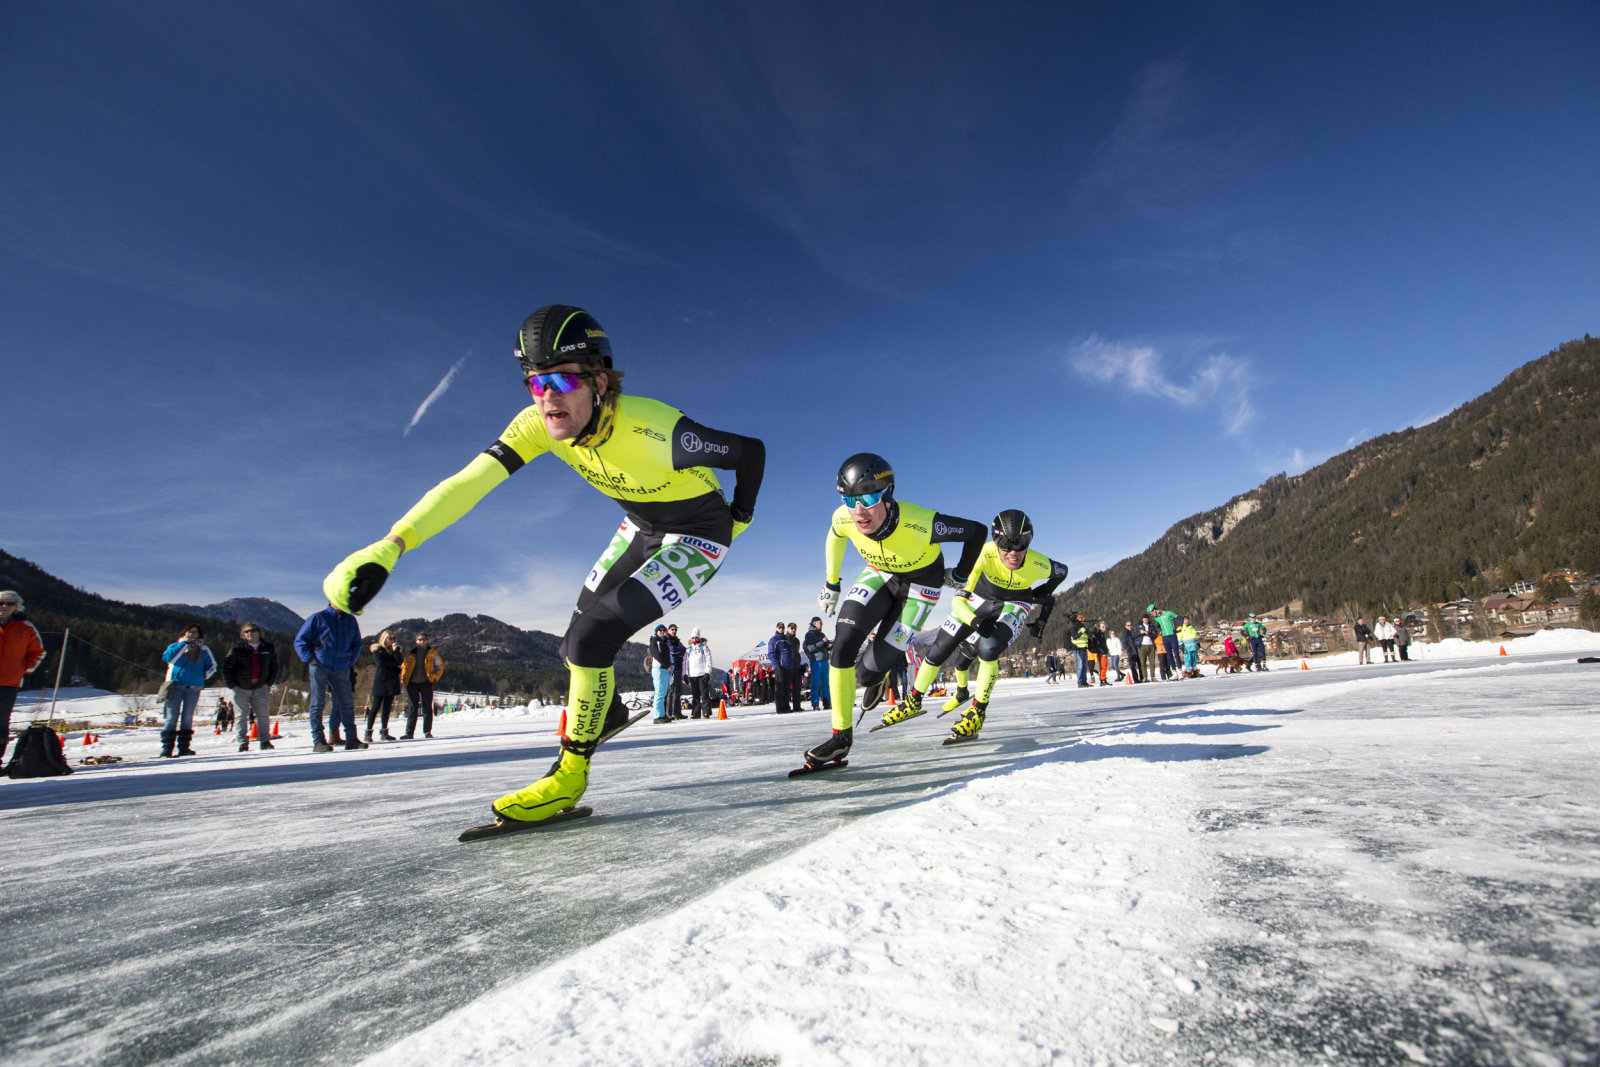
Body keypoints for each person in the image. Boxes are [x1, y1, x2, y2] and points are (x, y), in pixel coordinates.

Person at [320, 303, 764, 827]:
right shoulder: (535, 425)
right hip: (642, 527)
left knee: (591, 638)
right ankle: (610, 711)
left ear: (600, 381)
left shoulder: (660, 431)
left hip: (698, 534)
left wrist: (741, 516)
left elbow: (750, 452)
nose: (548, 396)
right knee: (571, 639)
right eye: (535, 381)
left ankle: (569, 775)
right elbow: (467, 483)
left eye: (561, 379)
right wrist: (392, 544)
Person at [803, 453, 986, 768]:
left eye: (869, 497)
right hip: (879, 573)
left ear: (888, 494)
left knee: (866, 672)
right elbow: (834, 538)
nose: (859, 511)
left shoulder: (922, 522)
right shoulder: (843, 517)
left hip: (920, 588)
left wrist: (959, 575)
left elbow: (976, 532)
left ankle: (879, 673)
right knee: (843, 642)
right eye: (850, 499)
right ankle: (841, 737)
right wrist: (832, 583)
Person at [876, 510, 1066, 741]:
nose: (1013, 552)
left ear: (1029, 541)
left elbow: (1061, 572)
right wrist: (975, 621)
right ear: (996, 541)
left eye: (1021, 543)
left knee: (988, 647)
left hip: (1015, 602)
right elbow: (958, 600)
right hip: (979, 598)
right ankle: (914, 700)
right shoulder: (984, 554)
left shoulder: (1039, 563)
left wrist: (1045, 591)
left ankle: (977, 712)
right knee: (939, 648)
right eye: (1005, 543)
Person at [295, 604, 364, 752]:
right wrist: (310, 659)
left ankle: (352, 739)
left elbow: (357, 643)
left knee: (347, 703)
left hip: (341, 667)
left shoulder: (350, 620)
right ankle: (319, 741)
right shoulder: (318, 617)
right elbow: (300, 641)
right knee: (318, 702)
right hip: (319, 665)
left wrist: (349, 661)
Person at [0, 591, 46, 764]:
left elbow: (38, 652)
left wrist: (22, 670)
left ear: (16, 606)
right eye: (1, 603)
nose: (4, 607)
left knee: (1, 722)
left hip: (9, 683)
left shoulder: (26, 627)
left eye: (9, 603)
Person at [161, 625, 218, 757]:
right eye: (190, 632)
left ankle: (184, 747)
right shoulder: (175, 646)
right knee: (171, 716)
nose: (193, 635)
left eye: (196, 633)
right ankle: (167, 748)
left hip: (194, 686)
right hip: (175, 685)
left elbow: (212, 666)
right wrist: (183, 645)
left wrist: (204, 676)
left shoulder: (204, 649)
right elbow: (169, 658)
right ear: (184, 633)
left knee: (187, 717)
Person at [222, 622, 279, 751]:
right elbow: (227, 667)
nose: (249, 633)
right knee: (241, 716)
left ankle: (265, 741)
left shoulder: (268, 648)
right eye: (246, 632)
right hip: (240, 688)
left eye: (252, 630)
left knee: (263, 715)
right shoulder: (237, 649)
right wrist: (232, 685)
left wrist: (268, 683)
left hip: (260, 688)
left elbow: (274, 667)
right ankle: (242, 743)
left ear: (259, 632)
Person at [400, 633, 444, 738]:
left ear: (427, 641)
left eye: (424, 640)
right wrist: (404, 678)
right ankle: (409, 733)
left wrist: (434, 677)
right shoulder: (411, 653)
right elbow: (403, 666)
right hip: (412, 683)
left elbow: (440, 665)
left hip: (426, 682)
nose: (422, 641)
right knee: (412, 708)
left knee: (427, 708)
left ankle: (427, 731)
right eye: (420, 640)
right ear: (416, 641)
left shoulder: (432, 653)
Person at [365, 629, 403, 741]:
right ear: (384, 639)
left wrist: (396, 652)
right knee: (375, 707)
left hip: (392, 682)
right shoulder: (378, 650)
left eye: (393, 638)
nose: (392, 641)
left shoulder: (395, 651)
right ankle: (368, 733)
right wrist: (394, 666)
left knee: (387, 708)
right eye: (390, 638)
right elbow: (381, 664)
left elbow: (400, 663)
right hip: (381, 682)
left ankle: (384, 732)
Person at [802, 617, 832, 710]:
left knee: (826, 683)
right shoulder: (809, 635)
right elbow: (810, 648)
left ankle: (827, 703)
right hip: (816, 662)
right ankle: (815, 704)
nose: (822, 624)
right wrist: (823, 642)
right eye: (820, 622)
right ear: (814, 623)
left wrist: (829, 645)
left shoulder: (822, 634)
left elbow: (824, 647)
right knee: (815, 683)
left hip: (824, 660)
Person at [685, 627, 713, 717]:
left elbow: (709, 660)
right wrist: (685, 674)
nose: (694, 639)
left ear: (699, 638)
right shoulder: (688, 650)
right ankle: (696, 713)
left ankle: (706, 712)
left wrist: (707, 672)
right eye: (692, 638)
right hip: (692, 675)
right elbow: (685, 663)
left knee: (704, 694)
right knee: (695, 695)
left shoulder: (704, 647)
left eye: (696, 638)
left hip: (702, 674)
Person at [1148, 604, 1181, 680]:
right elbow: (1158, 626)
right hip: (1165, 637)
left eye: (1151, 613)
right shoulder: (1157, 619)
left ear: (1154, 610)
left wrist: (1180, 627)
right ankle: (1175, 673)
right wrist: (1161, 631)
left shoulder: (1168, 613)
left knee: (1176, 654)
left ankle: (1180, 672)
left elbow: (1180, 618)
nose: (1152, 615)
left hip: (1172, 636)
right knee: (1169, 656)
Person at [648, 624, 673, 723]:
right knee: (659, 692)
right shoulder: (655, 641)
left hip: (665, 669)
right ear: (656, 632)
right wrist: (667, 665)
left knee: (663, 693)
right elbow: (657, 655)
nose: (662, 632)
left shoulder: (664, 642)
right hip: (658, 668)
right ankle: (657, 716)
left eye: (663, 630)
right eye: (660, 630)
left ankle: (662, 715)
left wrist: (670, 665)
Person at [664, 623, 687, 718]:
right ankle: (669, 713)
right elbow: (672, 650)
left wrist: (678, 651)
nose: (674, 631)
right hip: (671, 668)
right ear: (668, 630)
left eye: (675, 630)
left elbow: (684, 649)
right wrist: (679, 651)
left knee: (677, 691)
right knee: (671, 691)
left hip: (678, 667)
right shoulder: (667, 640)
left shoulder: (677, 640)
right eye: (672, 629)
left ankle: (677, 713)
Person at [1066, 613, 1090, 687]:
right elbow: (1074, 637)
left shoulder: (1083, 628)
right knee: (1080, 665)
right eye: (1082, 619)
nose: (1083, 621)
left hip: (1084, 649)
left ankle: (1084, 681)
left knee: (1085, 666)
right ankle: (1080, 682)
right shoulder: (1074, 628)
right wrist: (1081, 632)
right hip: (1077, 649)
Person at [1088, 621, 1111, 686]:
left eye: (1105, 626)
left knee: (1104, 666)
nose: (1104, 628)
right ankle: (1102, 679)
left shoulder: (1102, 634)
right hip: (1101, 652)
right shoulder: (1098, 633)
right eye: (1103, 626)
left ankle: (1103, 679)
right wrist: (1096, 628)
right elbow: (1094, 636)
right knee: (1103, 666)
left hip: (1103, 652)